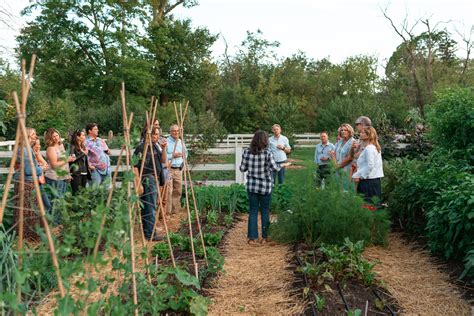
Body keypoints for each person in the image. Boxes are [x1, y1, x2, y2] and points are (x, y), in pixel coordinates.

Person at [240, 130, 290, 245]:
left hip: (252, 186)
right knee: (265, 211)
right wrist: (283, 164)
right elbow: (275, 168)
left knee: (252, 211)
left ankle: (252, 238)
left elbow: (242, 169)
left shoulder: (247, 152)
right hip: (265, 187)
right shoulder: (267, 153)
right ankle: (264, 237)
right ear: (265, 140)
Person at [14, 127, 51, 240]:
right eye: (33, 134)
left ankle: (27, 237)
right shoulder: (24, 150)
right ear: (27, 135)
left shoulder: (27, 149)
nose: (36, 136)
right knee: (28, 211)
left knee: (30, 211)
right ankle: (27, 237)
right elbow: (28, 170)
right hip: (26, 184)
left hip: (28, 182)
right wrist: (41, 169)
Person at [133, 126, 167, 241]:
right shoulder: (141, 148)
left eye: (158, 134)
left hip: (155, 179)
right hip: (147, 179)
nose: (157, 136)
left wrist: (164, 148)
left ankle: (151, 231)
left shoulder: (154, 147)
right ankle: (150, 234)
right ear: (149, 135)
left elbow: (163, 161)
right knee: (149, 207)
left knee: (152, 206)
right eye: (155, 134)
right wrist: (138, 183)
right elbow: (135, 167)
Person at [352, 126, 384, 204]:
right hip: (372, 180)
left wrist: (361, 176)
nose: (360, 134)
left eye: (363, 133)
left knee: (368, 206)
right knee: (371, 206)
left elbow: (370, 166)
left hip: (368, 182)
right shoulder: (371, 147)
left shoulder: (369, 148)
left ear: (369, 135)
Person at [44, 128, 74, 200]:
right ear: (49, 138)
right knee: (56, 200)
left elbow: (64, 163)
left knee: (61, 199)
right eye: (53, 136)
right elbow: (54, 165)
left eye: (57, 135)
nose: (56, 138)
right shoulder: (51, 148)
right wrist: (68, 159)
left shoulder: (61, 145)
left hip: (62, 176)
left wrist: (68, 175)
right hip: (54, 177)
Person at [166, 124, 188, 215]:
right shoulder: (166, 142)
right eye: (174, 131)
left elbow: (186, 153)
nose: (176, 132)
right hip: (169, 169)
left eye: (177, 131)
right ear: (170, 132)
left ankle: (175, 211)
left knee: (178, 190)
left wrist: (183, 161)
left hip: (179, 169)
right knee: (168, 191)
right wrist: (172, 156)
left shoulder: (180, 142)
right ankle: (167, 212)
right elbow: (163, 156)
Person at [330, 123, 355, 190]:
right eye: (342, 130)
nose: (343, 131)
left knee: (345, 189)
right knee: (336, 189)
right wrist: (335, 165)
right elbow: (333, 153)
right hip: (336, 168)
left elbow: (350, 158)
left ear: (350, 131)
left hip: (346, 169)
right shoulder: (340, 141)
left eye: (345, 130)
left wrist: (338, 166)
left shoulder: (353, 142)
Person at [32, 138, 52, 213]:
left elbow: (45, 165)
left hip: (39, 183)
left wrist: (38, 154)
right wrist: (41, 167)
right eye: (38, 144)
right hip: (33, 183)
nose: (39, 146)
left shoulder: (36, 154)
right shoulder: (31, 156)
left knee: (46, 205)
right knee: (43, 205)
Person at [69, 129, 91, 195]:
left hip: (84, 172)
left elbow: (85, 159)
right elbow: (73, 159)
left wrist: (89, 167)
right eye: (83, 135)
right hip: (76, 173)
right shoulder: (72, 146)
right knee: (76, 193)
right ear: (78, 137)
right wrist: (84, 153)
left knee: (83, 193)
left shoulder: (83, 146)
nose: (85, 137)